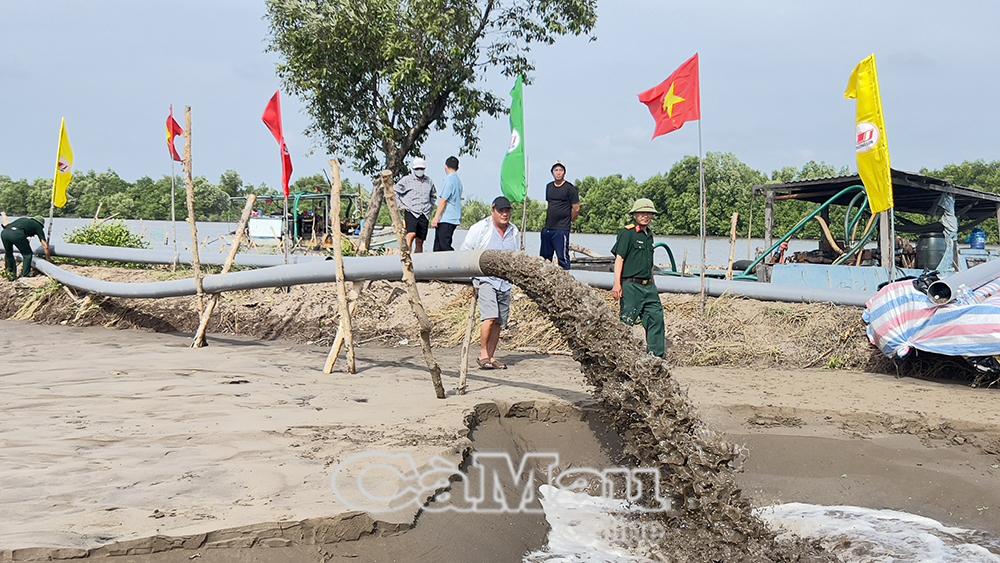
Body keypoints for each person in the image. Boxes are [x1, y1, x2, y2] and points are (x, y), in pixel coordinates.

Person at [460, 196, 520, 370]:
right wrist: (471, 275)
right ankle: (483, 355)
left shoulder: (514, 231)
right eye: (501, 211)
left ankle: (491, 357)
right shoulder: (480, 228)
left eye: (507, 210)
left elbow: (516, 255)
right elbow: (465, 251)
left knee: (499, 321)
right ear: (493, 211)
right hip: (485, 279)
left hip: (505, 282)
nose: (504, 214)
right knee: (490, 316)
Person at [610, 199, 665, 358]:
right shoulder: (627, 233)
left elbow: (649, 263)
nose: (645, 216)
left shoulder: (649, 235)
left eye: (648, 213)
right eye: (642, 213)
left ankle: (656, 358)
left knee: (656, 318)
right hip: (631, 286)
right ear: (635, 214)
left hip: (649, 287)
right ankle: (620, 356)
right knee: (626, 321)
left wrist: (653, 284)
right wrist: (617, 284)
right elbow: (619, 259)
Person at [540, 161, 580, 270]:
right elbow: (550, 203)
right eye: (556, 170)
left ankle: (566, 275)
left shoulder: (570, 188)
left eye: (560, 170)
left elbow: (576, 208)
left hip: (561, 228)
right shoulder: (549, 187)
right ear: (552, 173)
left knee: (562, 257)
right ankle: (544, 277)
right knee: (544, 258)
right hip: (548, 227)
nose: (558, 172)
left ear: (564, 173)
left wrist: (571, 219)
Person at [394, 157, 437, 253]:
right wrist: (401, 205)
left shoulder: (429, 181)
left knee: (420, 240)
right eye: (417, 168)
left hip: (424, 213)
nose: (419, 170)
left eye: (421, 168)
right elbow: (395, 191)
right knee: (411, 234)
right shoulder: (406, 180)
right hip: (411, 211)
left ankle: (418, 259)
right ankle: (406, 255)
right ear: (413, 169)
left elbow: (433, 195)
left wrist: (430, 207)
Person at [3, 216, 51, 280]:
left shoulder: (23, 220)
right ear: (41, 224)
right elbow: (45, 246)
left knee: (9, 253)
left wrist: (3, 215)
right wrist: (48, 259)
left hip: (4, 233)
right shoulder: (38, 226)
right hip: (17, 234)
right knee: (27, 255)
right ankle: (26, 274)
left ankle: (11, 275)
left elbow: (6, 225)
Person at [431, 156, 463, 252]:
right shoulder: (458, 181)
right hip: (453, 217)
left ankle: (456, 260)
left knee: (444, 246)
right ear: (457, 167)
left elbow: (443, 200)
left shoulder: (449, 180)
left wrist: (436, 217)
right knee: (438, 248)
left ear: (445, 166)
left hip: (447, 218)